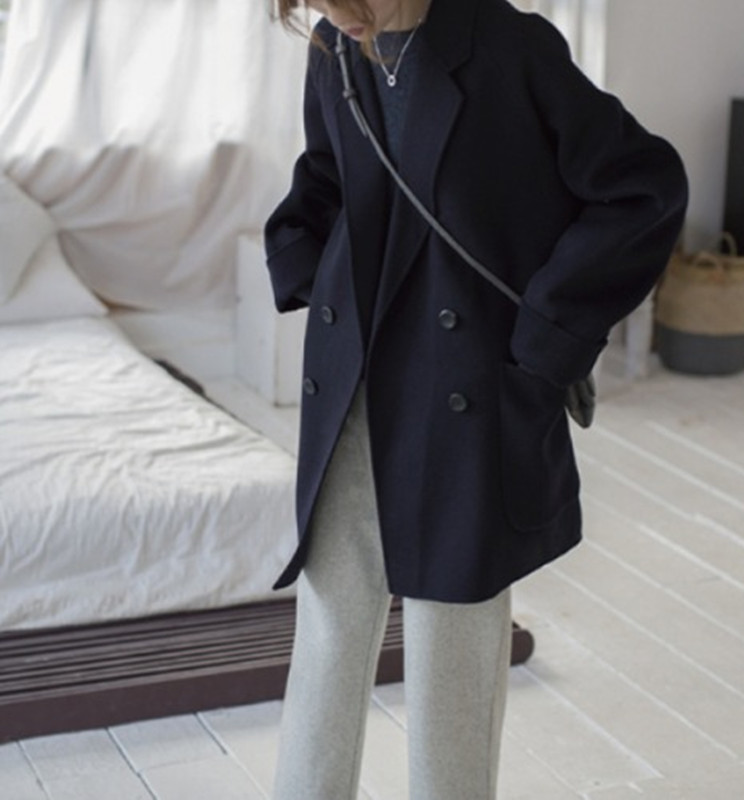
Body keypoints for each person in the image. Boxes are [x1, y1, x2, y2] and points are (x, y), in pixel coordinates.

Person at [265, 0, 688, 797]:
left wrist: (547, 335)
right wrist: (304, 264)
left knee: (452, 636)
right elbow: (326, 174)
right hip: (355, 377)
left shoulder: (507, 47)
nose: (328, 12)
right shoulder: (334, 46)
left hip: (463, 381)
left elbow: (643, 187)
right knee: (330, 620)